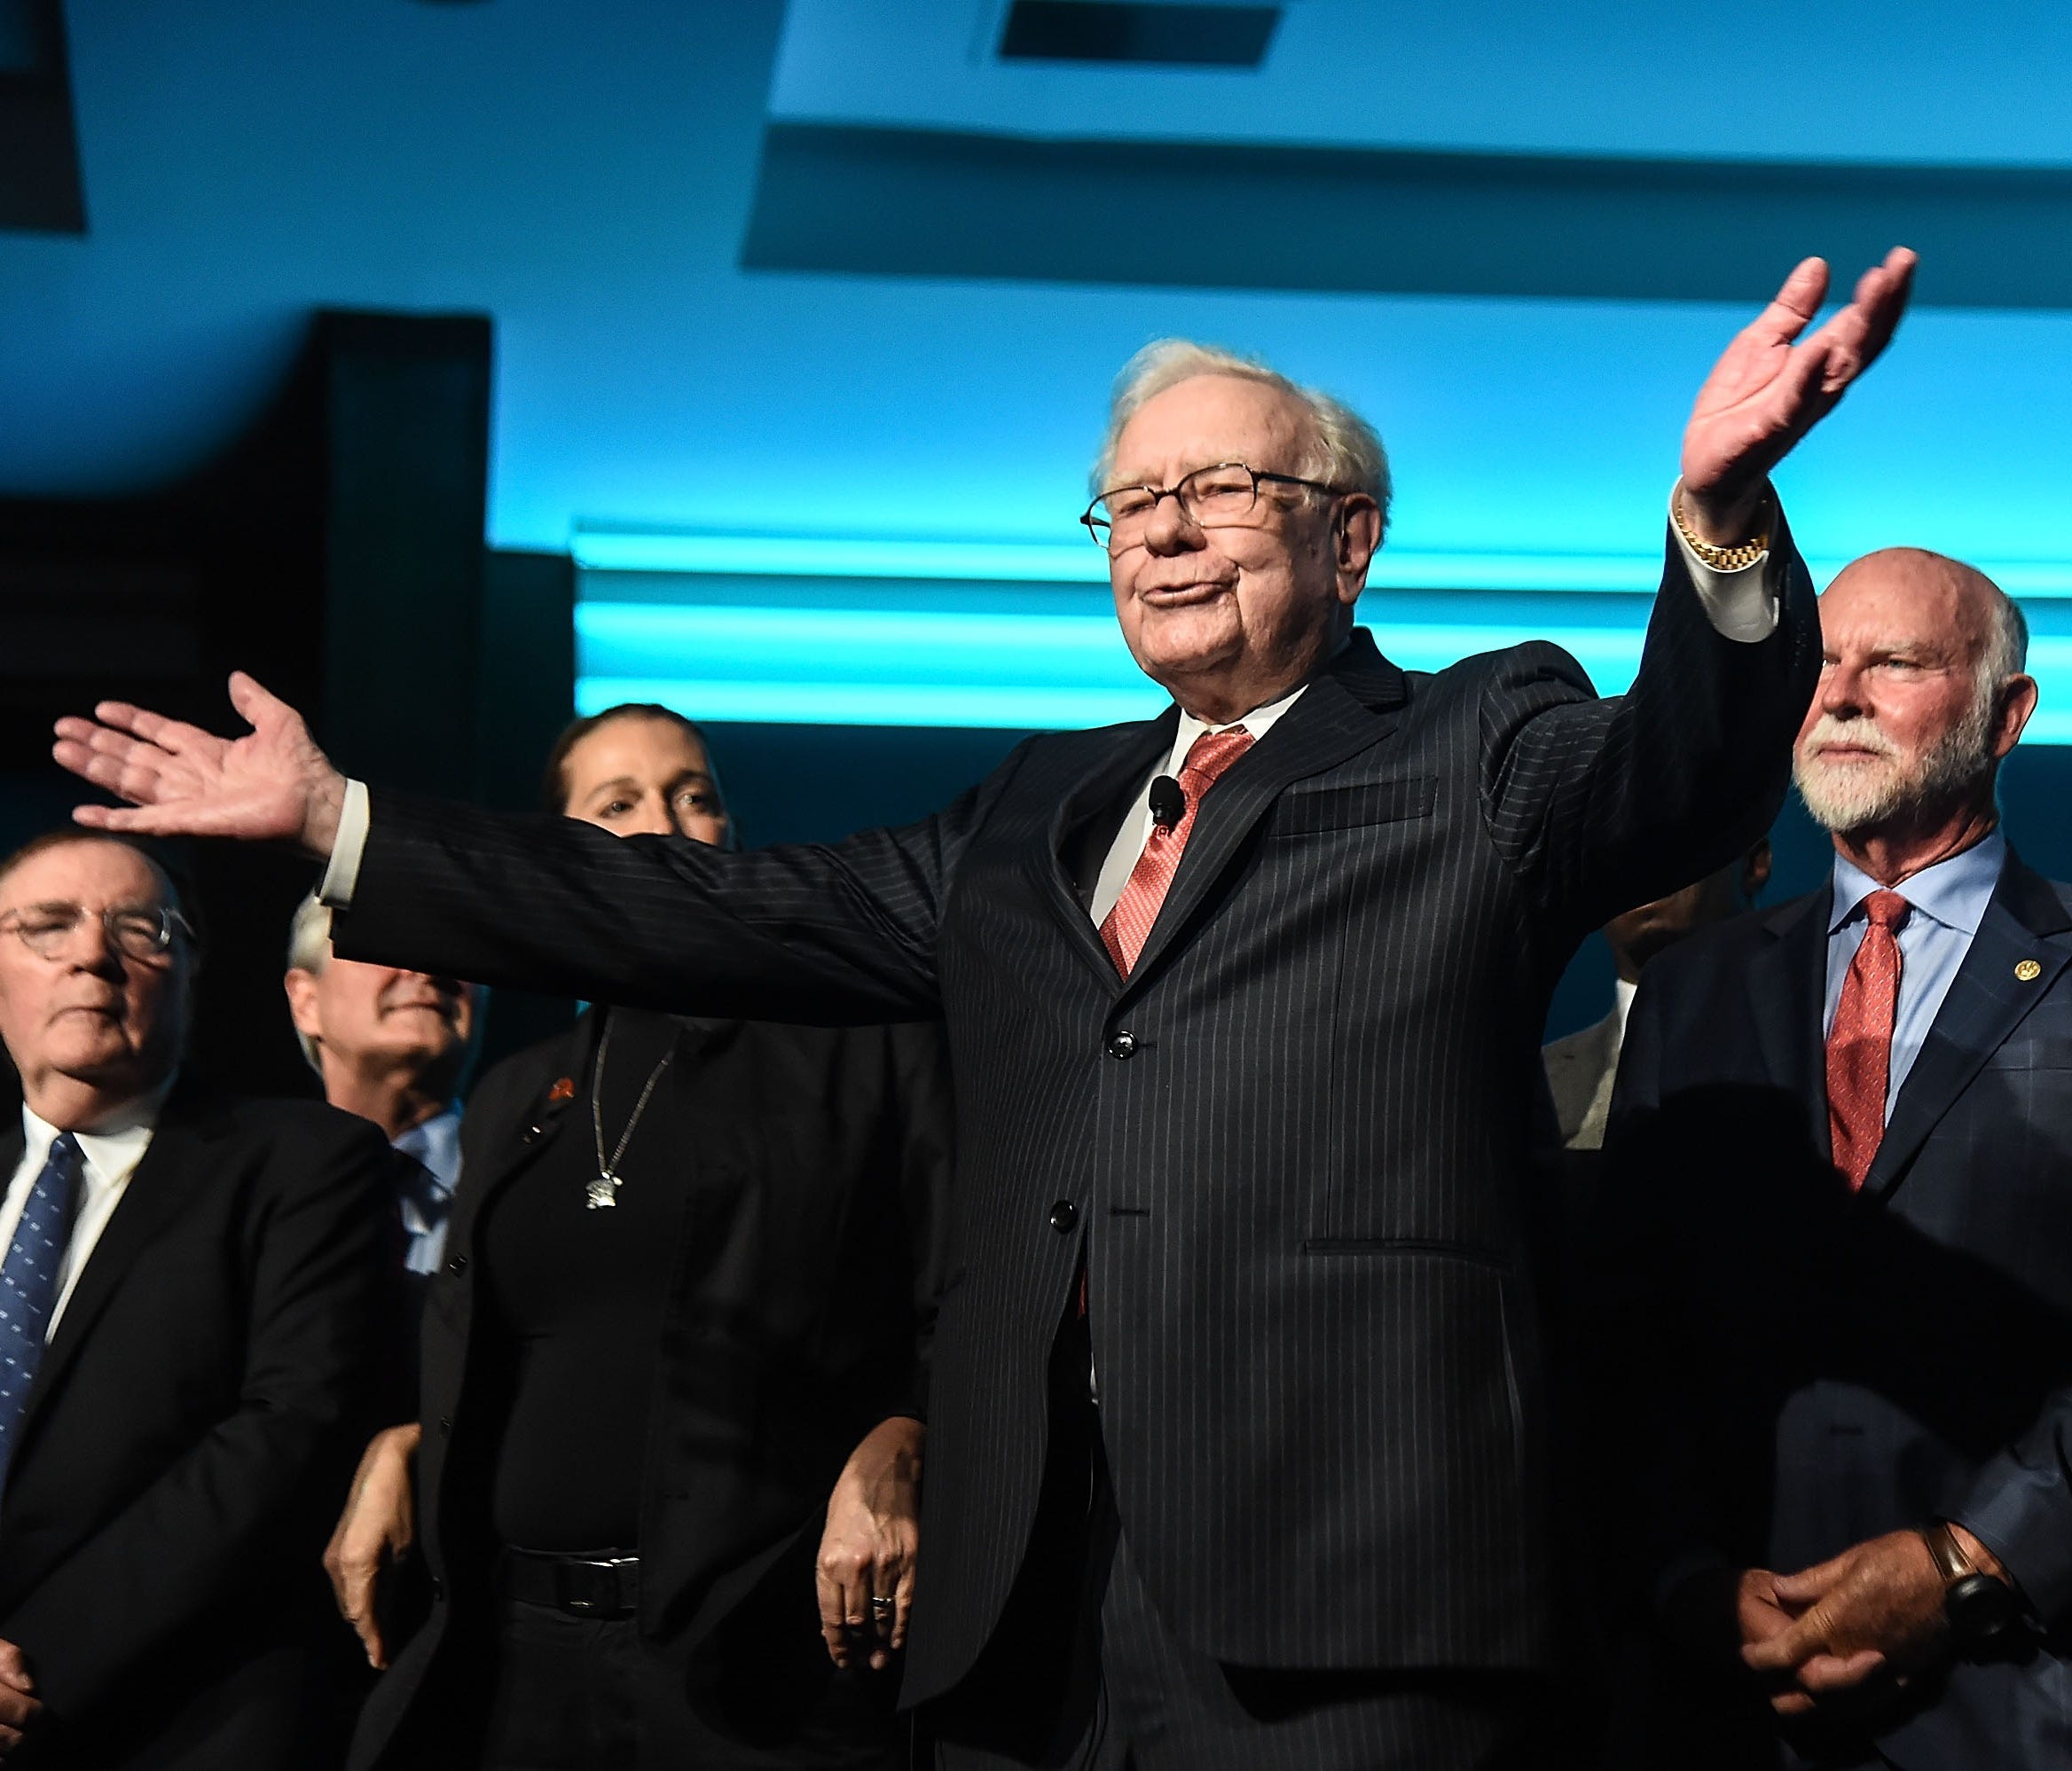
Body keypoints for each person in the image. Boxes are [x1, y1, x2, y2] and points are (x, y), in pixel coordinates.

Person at [52, 247, 1914, 1768]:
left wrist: (1723, 518)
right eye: (1133, 499)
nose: (1166, 533)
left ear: (1348, 541)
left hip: (1350, 1596)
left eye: (1222, 493)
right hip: (1024, 1602)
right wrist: (339, 821)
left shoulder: (1473, 738)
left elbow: (1681, 771)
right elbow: (705, 903)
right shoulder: (1032, 810)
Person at [322, 701, 953, 1771]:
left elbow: (974, 1284)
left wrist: (909, 1434)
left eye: (691, 794)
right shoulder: (517, 1091)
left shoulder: (867, 1040)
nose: (662, 820)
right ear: (558, 854)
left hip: (762, 1669)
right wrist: (405, 1443)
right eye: (617, 803)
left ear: (732, 833)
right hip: (517, 1659)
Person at [1597, 548, 2072, 1767]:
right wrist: (1687, 1580)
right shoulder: (1699, 987)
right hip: (1723, 1699)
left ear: (2007, 715)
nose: (1840, 693)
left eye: (1897, 662)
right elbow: (1626, 1332)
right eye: (1820, 663)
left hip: (2024, 1692)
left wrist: (1975, 1563)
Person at [0, 832, 398, 1768]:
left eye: (139, 928)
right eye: (47, 926)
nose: (92, 954)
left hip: (175, 1718)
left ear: (189, 968)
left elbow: (283, 1437)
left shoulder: (307, 1161)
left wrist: (30, 1669)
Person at [285, 892, 484, 1279]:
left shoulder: (536, 1190)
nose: (428, 970)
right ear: (307, 1002)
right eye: (389, 941)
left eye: (460, 949)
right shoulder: (249, 1198)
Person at [1542, 841, 1771, 1150]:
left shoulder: (1821, 1039)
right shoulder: (1532, 1087)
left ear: (1754, 862)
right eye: (1620, 843)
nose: (1640, 860)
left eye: (1676, 830)